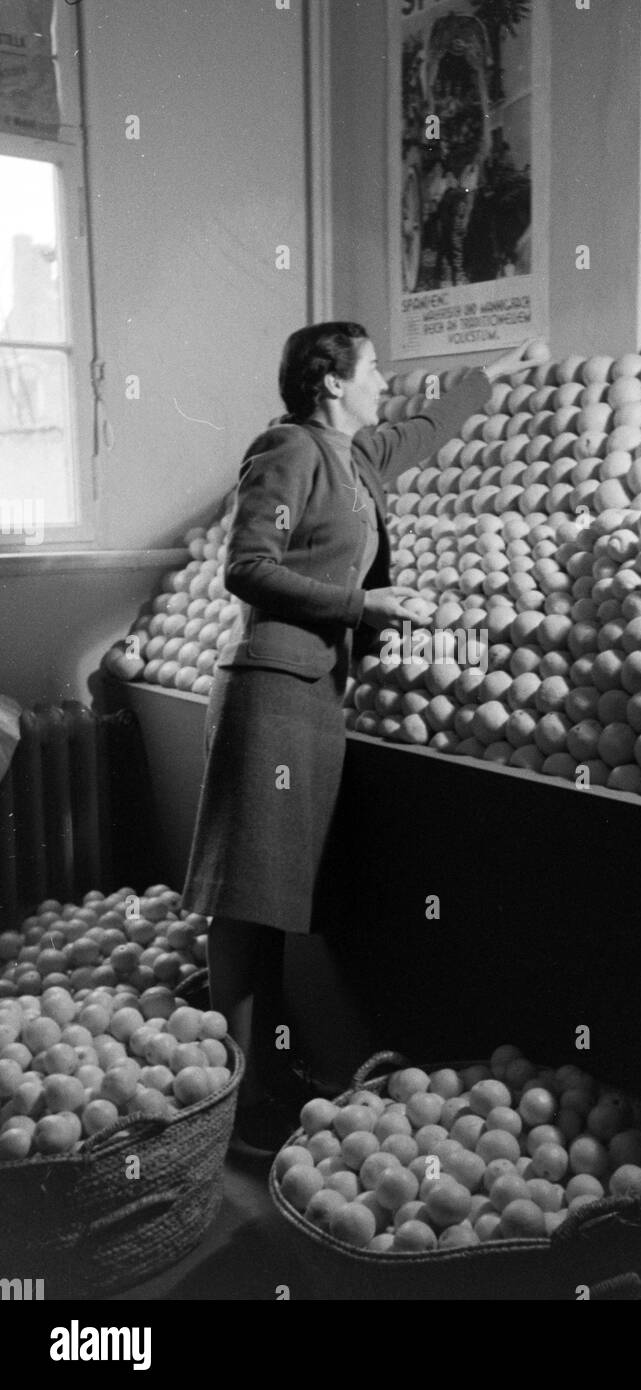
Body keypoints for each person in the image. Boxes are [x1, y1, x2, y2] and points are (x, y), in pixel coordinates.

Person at [181, 322, 536, 1151]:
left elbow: (422, 430)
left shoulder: (354, 457)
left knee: (271, 902)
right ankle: (230, 1106)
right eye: (373, 367)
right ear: (331, 382)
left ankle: (263, 1078)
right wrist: (359, 607)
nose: (384, 379)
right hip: (269, 688)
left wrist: (490, 375)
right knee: (244, 905)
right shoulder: (289, 449)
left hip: (312, 695)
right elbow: (245, 565)